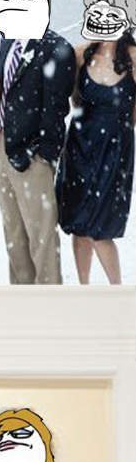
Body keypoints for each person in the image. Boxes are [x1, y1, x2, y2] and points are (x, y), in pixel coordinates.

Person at [0, 0, 74, 280]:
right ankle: (21, 297)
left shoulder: (56, 48)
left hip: (33, 154)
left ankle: (48, 299)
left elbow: (56, 108)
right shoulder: (7, 42)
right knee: (13, 234)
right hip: (1, 146)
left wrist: (43, 153)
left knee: (41, 236)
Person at [56, 27, 136, 281]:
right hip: (80, 145)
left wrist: (117, 126)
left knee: (101, 229)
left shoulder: (133, 56)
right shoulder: (81, 53)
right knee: (79, 224)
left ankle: (117, 291)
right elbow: (71, 97)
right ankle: (84, 288)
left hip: (115, 148)